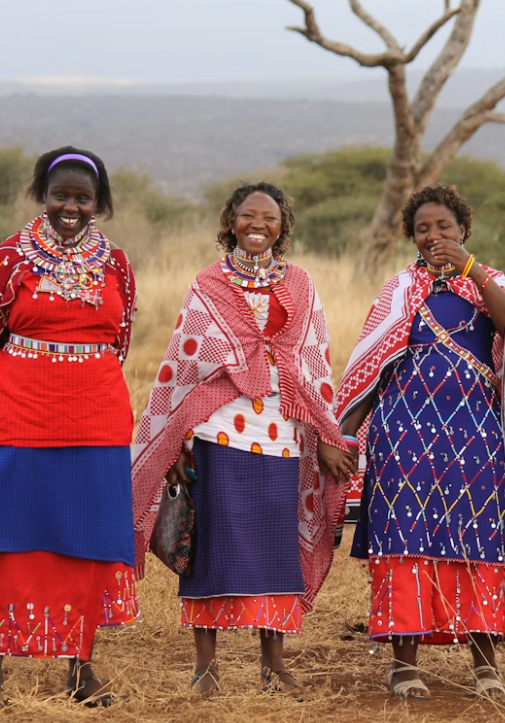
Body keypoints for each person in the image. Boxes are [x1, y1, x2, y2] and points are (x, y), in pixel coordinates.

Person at [131, 182, 355, 700]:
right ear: (230, 221)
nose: (259, 225)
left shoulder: (299, 284)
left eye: (270, 218)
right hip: (216, 431)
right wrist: (178, 441)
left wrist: (323, 435)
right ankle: (205, 667)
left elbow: (313, 362)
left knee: (277, 549)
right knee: (211, 545)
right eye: (248, 216)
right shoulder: (208, 284)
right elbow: (186, 363)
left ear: (283, 226)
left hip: (282, 435)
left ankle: (273, 664)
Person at [334, 184, 505, 700]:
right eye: (423, 228)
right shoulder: (399, 288)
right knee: (404, 537)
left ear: (463, 230)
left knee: (482, 536)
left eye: (444, 227)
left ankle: (485, 664)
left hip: (475, 432)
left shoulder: (492, 282)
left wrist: (471, 269)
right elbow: (371, 369)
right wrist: (342, 433)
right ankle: (404, 665)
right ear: (411, 236)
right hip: (402, 432)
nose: (434, 236)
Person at [0, 147, 137, 709]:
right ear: (43, 195)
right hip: (21, 413)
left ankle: (80, 668)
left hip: (98, 415)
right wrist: (30, 374)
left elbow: (121, 337)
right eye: (60, 194)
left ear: (98, 204)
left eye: (83, 198)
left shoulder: (116, 265)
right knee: (12, 534)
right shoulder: (8, 259)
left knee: (88, 538)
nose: (70, 206)